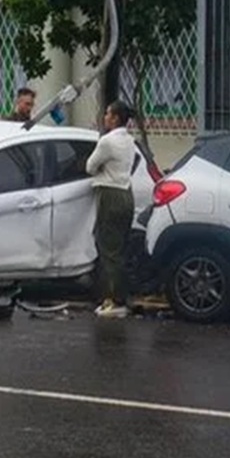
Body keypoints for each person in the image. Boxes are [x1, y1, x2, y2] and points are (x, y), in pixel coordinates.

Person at [86, 100, 136, 319]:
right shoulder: (130, 140)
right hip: (126, 194)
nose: (105, 117)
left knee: (108, 251)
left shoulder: (107, 141)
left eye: (107, 114)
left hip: (110, 195)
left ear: (115, 118)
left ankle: (113, 301)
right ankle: (120, 297)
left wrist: (100, 170)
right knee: (119, 250)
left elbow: (90, 166)